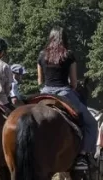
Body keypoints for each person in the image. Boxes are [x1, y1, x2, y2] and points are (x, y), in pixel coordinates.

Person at [36, 27, 99, 171]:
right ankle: (83, 156)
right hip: (64, 92)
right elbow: (74, 83)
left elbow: (40, 81)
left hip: (45, 92)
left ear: (50, 38)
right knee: (91, 123)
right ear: (64, 38)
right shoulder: (69, 55)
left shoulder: (41, 55)